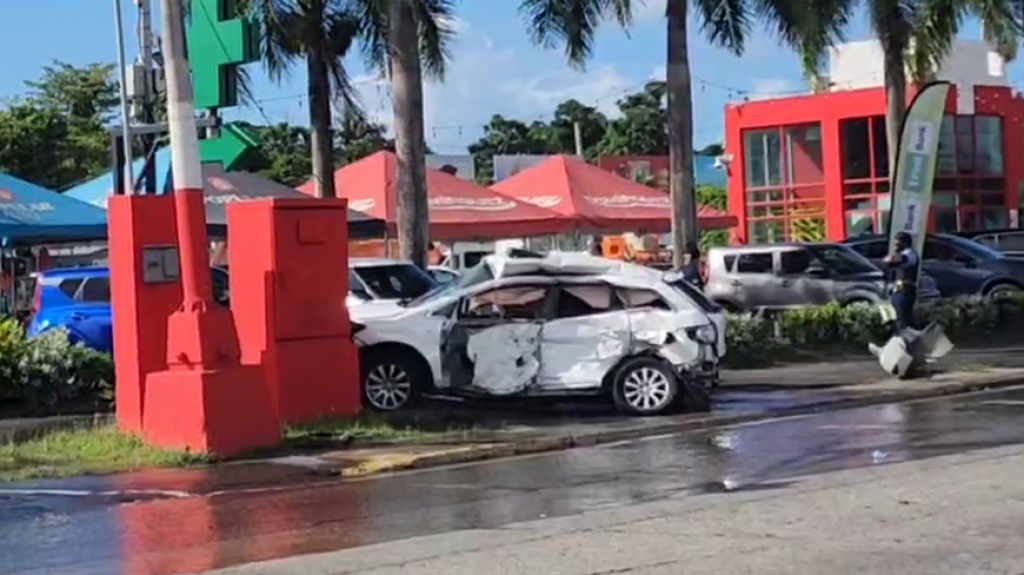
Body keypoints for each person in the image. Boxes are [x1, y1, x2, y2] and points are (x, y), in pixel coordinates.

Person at [883, 231, 919, 331]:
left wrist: (890, 259)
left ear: (905, 243)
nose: (895, 247)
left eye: (898, 244)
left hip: (905, 290)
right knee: (895, 317)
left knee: (903, 318)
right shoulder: (900, 254)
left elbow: (902, 260)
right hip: (896, 290)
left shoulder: (911, 254)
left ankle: (909, 341)